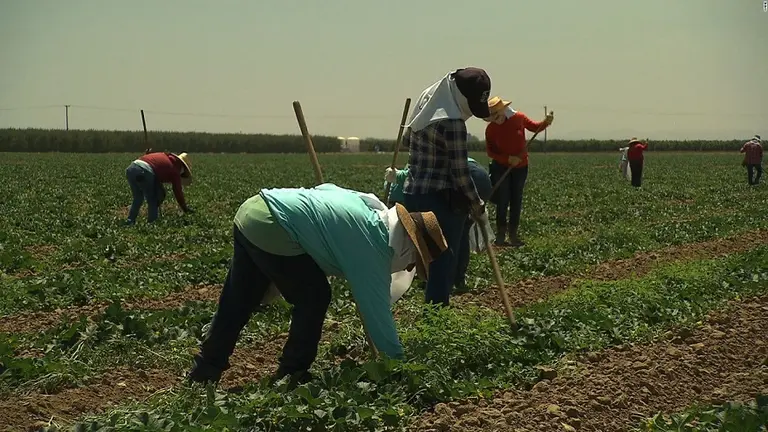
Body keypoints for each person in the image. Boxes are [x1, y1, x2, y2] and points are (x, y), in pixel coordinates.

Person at [187, 183, 448, 385]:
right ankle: (292, 373)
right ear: (408, 246)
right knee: (314, 296)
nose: (409, 267)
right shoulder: (374, 245)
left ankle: (205, 369)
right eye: (414, 261)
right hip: (273, 225)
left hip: (253, 209)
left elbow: (327, 189)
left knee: (239, 298)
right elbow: (376, 313)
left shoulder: (371, 211)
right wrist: (398, 365)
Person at [401, 67, 492, 307]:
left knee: (429, 255)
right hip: (441, 199)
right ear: (460, 95)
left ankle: (432, 305)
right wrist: (477, 204)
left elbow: (406, 140)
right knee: (443, 257)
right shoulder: (453, 123)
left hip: (413, 193)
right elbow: (461, 173)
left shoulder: (427, 102)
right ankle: (437, 311)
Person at [385, 157, 492, 292]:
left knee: (443, 235)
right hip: (480, 178)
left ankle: (441, 283)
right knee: (461, 231)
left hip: (465, 179)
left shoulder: (406, 188)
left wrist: (398, 176)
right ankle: (457, 279)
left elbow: (419, 172)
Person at [485, 96, 553, 247]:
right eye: (492, 117)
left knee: (516, 200)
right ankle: (501, 234)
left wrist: (545, 123)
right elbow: (490, 152)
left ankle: (513, 235)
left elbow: (535, 127)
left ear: (503, 111)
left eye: (496, 115)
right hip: (501, 167)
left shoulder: (519, 118)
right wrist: (507, 159)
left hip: (521, 168)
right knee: (502, 200)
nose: (495, 119)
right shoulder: (490, 130)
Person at [124, 151, 193, 224]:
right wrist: (184, 208)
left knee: (138, 198)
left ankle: (130, 221)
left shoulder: (164, 157)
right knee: (153, 200)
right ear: (183, 167)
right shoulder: (174, 170)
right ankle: (152, 223)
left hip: (131, 168)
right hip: (145, 171)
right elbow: (177, 191)